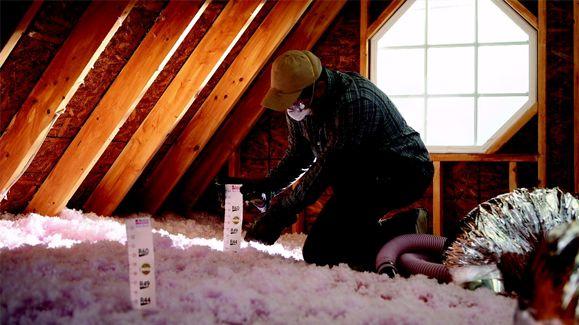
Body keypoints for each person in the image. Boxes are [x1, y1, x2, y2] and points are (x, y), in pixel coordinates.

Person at [240, 50, 433, 272]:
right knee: (322, 250)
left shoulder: (355, 101)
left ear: (318, 88)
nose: (290, 108)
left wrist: (280, 216)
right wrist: (268, 187)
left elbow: (327, 167)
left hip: (404, 172)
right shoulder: (300, 107)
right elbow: (299, 155)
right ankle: (401, 228)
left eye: (294, 101)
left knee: (319, 253)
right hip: (360, 173)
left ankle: (407, 227)